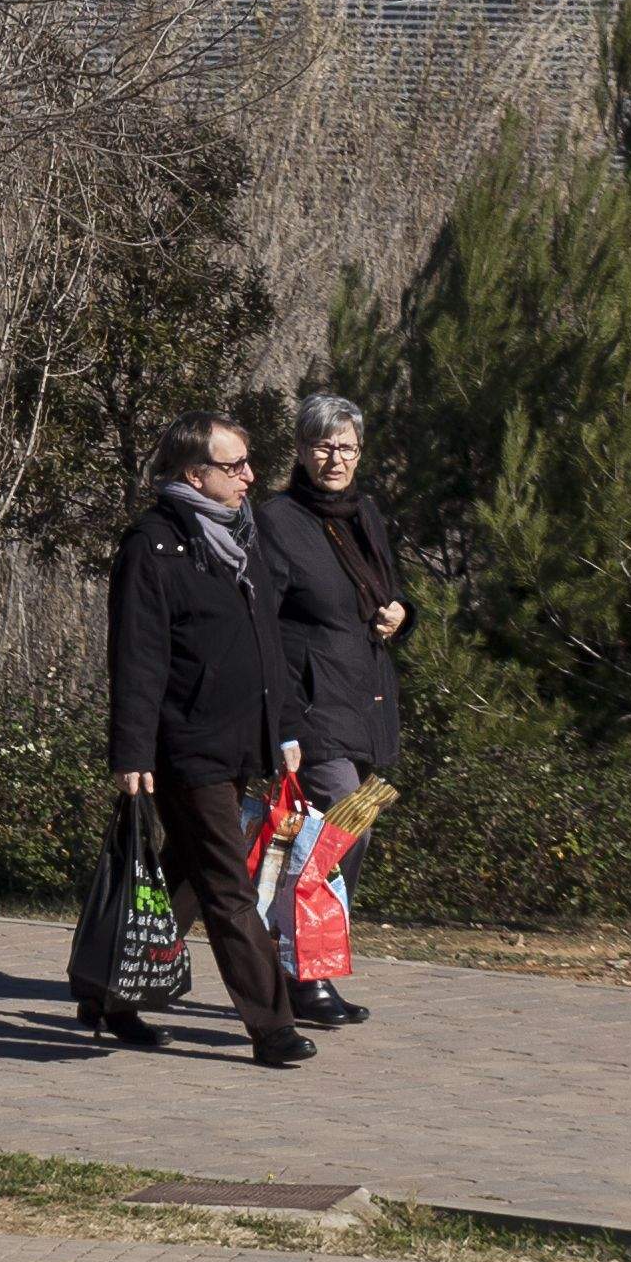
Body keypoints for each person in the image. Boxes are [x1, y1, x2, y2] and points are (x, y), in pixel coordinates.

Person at [98, 414, 310, 1066]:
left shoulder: (239, 538)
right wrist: (133, 753)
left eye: (248, 462)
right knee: (228, 885)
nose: (250, 475)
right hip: (184, 744)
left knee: (187, 875)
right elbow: (137, 659)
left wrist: (287, 729)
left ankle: (109, 989)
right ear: (196, 475)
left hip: (237, 738)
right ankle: (272, 1025)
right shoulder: (153, 547)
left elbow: (265, 644)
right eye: (235, 465)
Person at [251, 390, 408, 1031]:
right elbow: (265, 627)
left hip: (365, 700)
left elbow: (386, 592)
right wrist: (281, 724)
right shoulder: (276, 521)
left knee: (332, 845)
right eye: (322, 445)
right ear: (300, 450)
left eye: (345, 445)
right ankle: (298, 973)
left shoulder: (364, 512)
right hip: (313, 706)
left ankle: (302, 965)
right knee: (341, 833)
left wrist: (403, 614)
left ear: (360, 450)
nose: (334, 457)